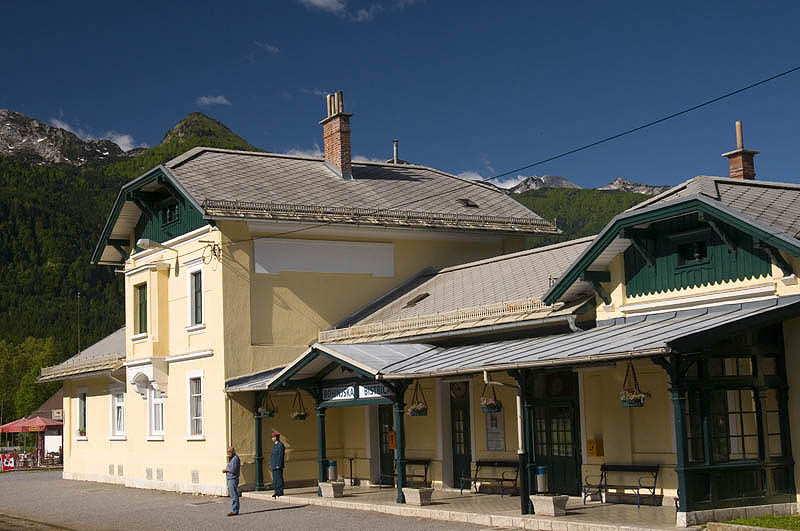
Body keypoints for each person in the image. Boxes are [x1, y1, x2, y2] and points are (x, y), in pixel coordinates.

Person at [222, 446, 240, 516]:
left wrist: (226, 470)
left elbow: (234, 470)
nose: (228, 453)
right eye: (227, 452)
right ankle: (234, 509)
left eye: (229, 452)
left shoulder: (235, 459)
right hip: (230, 478)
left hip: (233, 479)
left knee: (234, 495)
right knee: (233, 495)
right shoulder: (232, 458)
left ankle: (235, 510)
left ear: (233, 451)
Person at [270, 432, 285, 498]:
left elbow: (280, 455)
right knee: (275, 479)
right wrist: (271, 464)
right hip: (274, 465)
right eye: (272, 437)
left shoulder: (280, 445)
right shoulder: (275, 446)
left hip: (277, 465)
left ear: (276, 437)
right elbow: (273, 456)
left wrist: (279, 464)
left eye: (273, 437)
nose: (272, 438)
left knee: (279, 479)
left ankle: (280, 491)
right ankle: (276, 491)